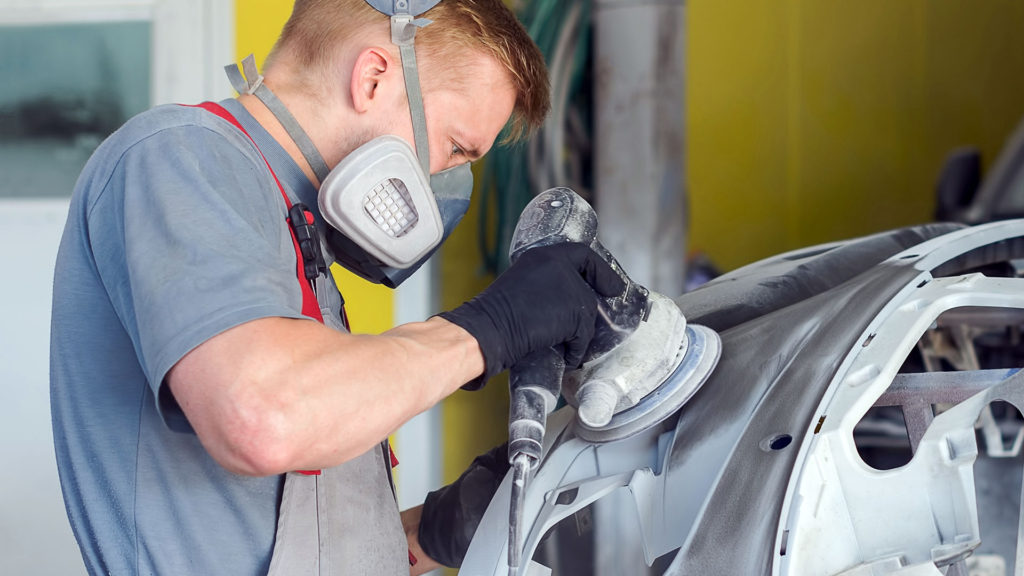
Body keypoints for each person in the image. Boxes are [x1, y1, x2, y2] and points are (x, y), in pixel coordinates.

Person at [50, 0, 623, 574]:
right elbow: (263, 418)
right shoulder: (179, 154)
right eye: (454, 148)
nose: (447, 184)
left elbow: (273, 533)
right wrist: (490, 327)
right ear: (373, 78)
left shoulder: (293, 223)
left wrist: (436, 530)